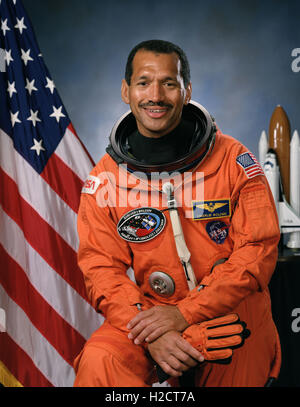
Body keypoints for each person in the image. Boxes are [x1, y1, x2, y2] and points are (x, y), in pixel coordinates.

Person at [73, 39, 281, 387]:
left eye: (169, 83)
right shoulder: (105, 178)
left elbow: (256, 251)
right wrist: (150, 330)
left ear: (186, 92)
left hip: (229, 311)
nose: (155, 95)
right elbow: (101, 268)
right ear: (126, 91)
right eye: (143, 82)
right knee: (100, 361)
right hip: (148, 314)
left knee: (237, 358)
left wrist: (185, 313)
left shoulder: (232, 161)